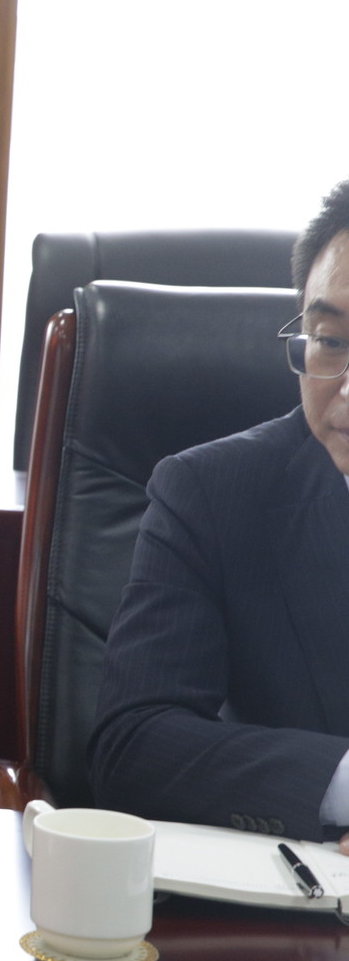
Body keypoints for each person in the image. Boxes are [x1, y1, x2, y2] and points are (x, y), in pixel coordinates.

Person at [90, 178, 349, 847]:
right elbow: (134, 744)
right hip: (295, 898)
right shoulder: (212, 494)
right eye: (331, 341)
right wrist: (340, 785)